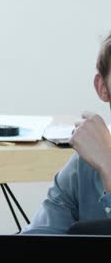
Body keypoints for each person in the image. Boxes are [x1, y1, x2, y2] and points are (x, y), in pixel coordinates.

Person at [23, 33, 111, 234]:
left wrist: (109, 166)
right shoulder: (85, 165)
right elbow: (35, 243)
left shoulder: (102, 158)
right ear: (102, 87)